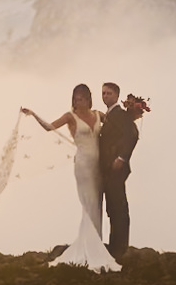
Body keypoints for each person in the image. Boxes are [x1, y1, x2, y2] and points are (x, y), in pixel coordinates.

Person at [19, 84, 119, 272]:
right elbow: (49, 127)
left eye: (80, 98)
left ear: (88, 99)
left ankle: (95, 244)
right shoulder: (69, 116)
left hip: (98, 166)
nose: (77, 101)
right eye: (75, 98)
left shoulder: (98, 114)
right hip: (83, 165)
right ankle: (90, 248)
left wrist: (133, 113)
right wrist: (33, 114)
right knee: (88, 203)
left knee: (97, 203)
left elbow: (115, 125)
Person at [97, 83, 143, 256]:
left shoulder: (119, 114)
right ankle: (115, 244)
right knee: (113, 207)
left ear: (117, 95)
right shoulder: (110, 115)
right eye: (103, 93)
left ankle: (120, 246)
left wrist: (122, 158)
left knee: (118, 206)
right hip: (108, 168)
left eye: (109, 93)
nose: (105, 96)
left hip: (116, 168)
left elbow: (132, 134)